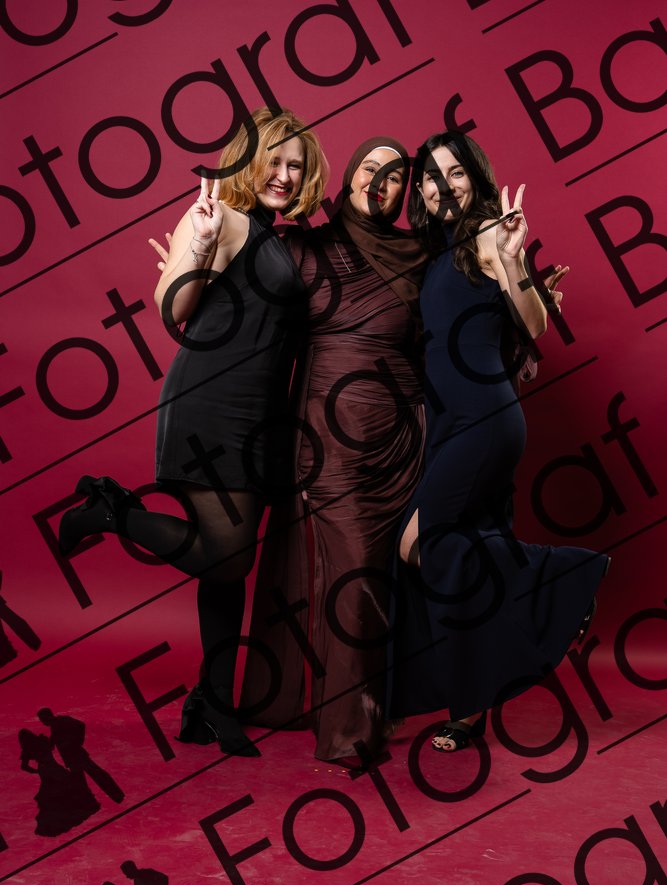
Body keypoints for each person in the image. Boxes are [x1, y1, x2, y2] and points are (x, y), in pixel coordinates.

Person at [58, 108, 328, 757]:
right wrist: (200, 248)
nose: (285, 175)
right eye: (273, 160)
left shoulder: (275, 236)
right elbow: (171, 308)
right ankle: (111, 510)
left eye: (296, 165)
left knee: (227, 570)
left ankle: (213, 701)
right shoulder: (220, 216)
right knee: (227, 556)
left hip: (261, 414)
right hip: (212, 402)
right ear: (246, 161)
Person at [389, 130, 609, 751]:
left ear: (476, 177)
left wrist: (514, 262)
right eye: (430, 176)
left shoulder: (489, 234)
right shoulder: (438, 252)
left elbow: (535, 321)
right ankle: (469, 707)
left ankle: (562, 578)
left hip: (484, 420)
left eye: (455, 172)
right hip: (449, 424)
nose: (442, 185)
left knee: (417, 544)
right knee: (466, 555)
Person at [239, 137, 429, 767]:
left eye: (394, 176)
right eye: (370, 168)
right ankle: (347, 727)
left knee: (383, 578)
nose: (380, 181)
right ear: (349, 177)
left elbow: (452, 340)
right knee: (351, 575)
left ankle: (379, 703)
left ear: (404, 193)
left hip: (399, 442)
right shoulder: (304, 248)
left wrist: (521, 302)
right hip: (326, 441)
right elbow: (249, 324)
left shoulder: (423, 255)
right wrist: (195, 264)